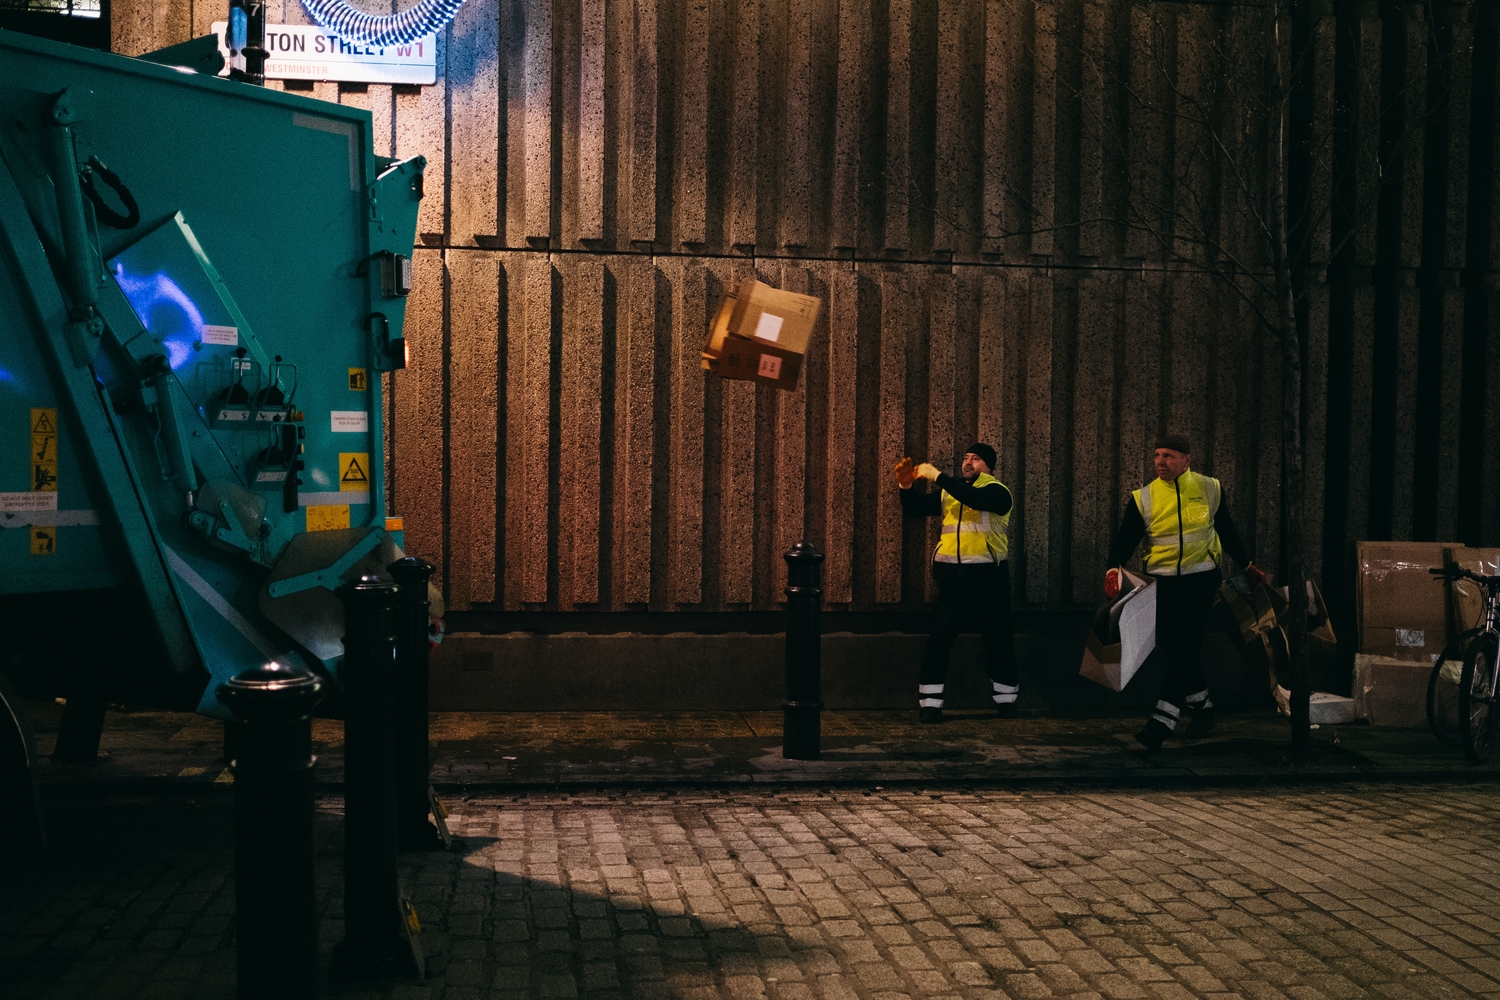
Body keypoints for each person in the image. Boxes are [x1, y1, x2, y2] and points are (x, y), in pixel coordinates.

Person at [1104, 434, 1267, 750]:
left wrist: (1247, 564)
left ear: (1186, 460)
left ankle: (1161, 723)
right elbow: (1126, 537)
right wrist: (1113, 567)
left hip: (1201, 581)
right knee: (1177, 650)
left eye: (1168, 456)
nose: (1160, 462)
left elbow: (1227, 530)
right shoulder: (1144, 497)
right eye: (1157, 455)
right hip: (1161, 583)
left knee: (1186, 648)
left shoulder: (1209, 488)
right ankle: (1204, 709)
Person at [895, 443, 1020, 723]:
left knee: (998, 640)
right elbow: (916, 509)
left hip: (989, 577)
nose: (968, 462)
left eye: (976, 459)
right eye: (965, 458)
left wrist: (938, 476)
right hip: (953, 578)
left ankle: (1006, 701)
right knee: (939, 640)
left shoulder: (997, 491)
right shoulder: (949, 494)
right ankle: (930, 704)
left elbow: (975, 499)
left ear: (988, 466)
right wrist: (906, 487)